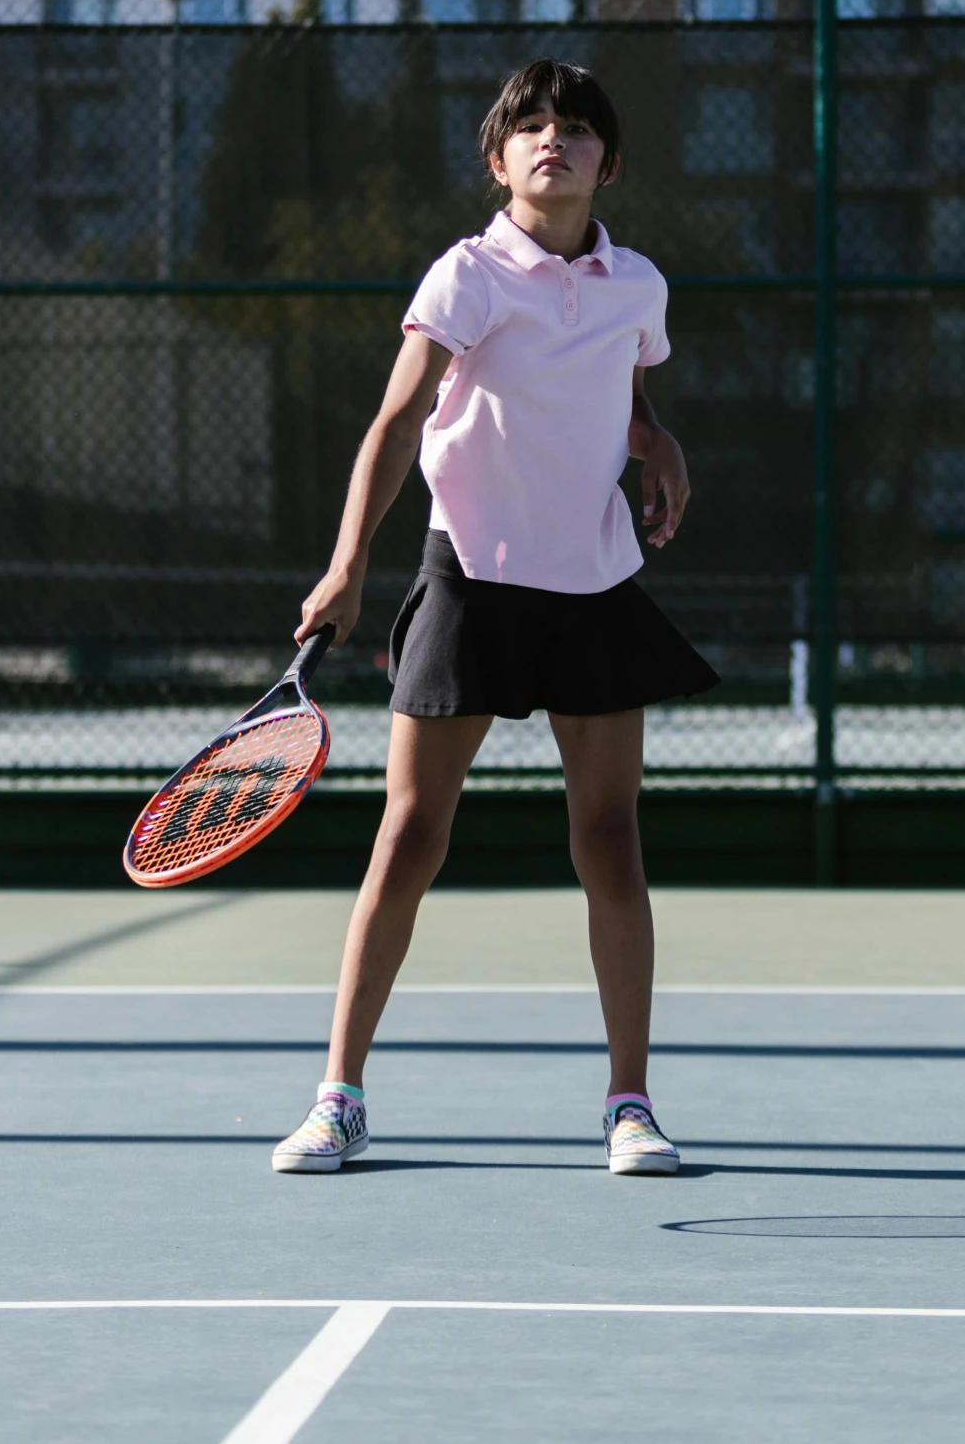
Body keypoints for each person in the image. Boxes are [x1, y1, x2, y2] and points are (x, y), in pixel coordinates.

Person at [272, 58, 718, 1177]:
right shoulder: (468, 274)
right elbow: (394, 418)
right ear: (498, 159)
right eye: (529, 127)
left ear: (607, 161)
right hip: (468, 577)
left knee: (608, 843)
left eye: (574, 129)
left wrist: (650, 436)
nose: (551, 141)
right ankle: (338, 1097)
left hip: (595, 582)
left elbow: (619, 381)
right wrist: (344, 567)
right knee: (410, 835)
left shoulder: (637, 285)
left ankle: (629, 1102)